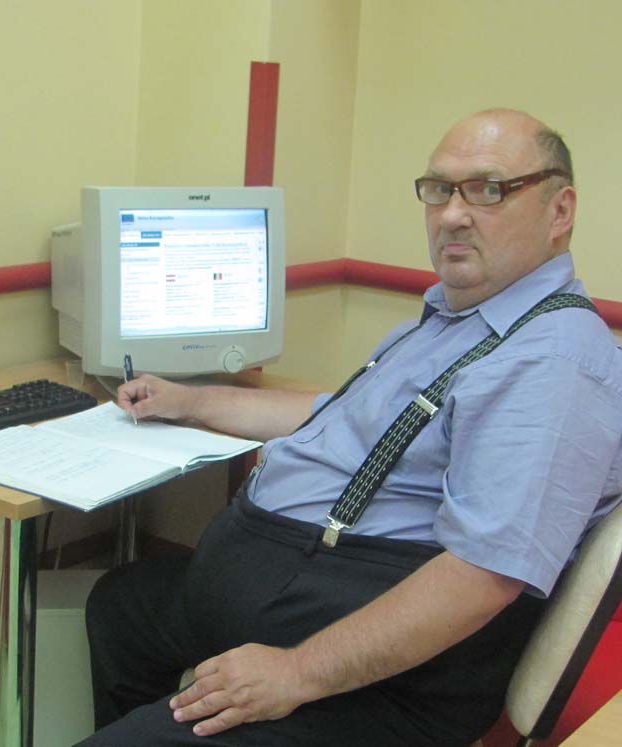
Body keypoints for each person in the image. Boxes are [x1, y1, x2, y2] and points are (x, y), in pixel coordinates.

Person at [74, 109, 622, 747]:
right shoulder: (455, 321)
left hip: (387, 682)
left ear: (560, 211)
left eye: (487, 190)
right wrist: (187, 402)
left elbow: (484, 577)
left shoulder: (554, 363)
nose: (451, 215)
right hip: (287, 589)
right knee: (123, 606)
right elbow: (339, 416)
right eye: (439, 189)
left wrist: (294, 673)